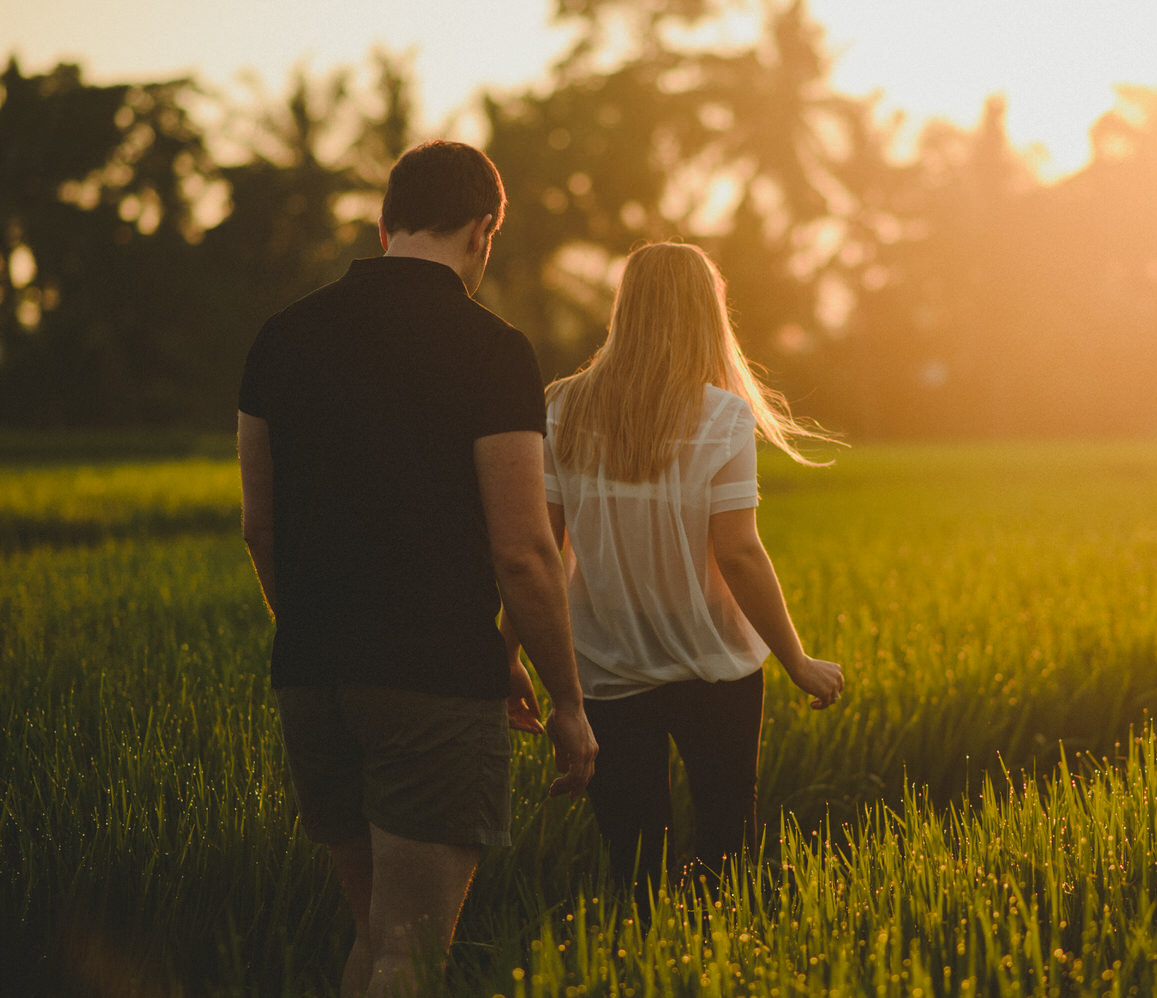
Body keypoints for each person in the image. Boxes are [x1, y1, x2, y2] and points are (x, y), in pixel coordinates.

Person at [236, 139, 597, 998]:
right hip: (433, 684)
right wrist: (570, 703)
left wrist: (321, 637)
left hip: (312, 678)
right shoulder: (492, 348)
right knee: (412, 955)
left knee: (375, 940)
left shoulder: (281, 338)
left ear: (384, 222)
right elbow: (522, 550)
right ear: (484, 230)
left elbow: (259, 526)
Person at [505, 241, 846, 906]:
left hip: (603, 669)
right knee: (727, 852)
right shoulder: (722, 415)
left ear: (623, 309)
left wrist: (508, 653)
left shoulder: (562, 406)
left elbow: (540, 550)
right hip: (716, 665)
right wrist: (798, 660)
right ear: (705, 314)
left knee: (635, 870)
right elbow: (739, 553)